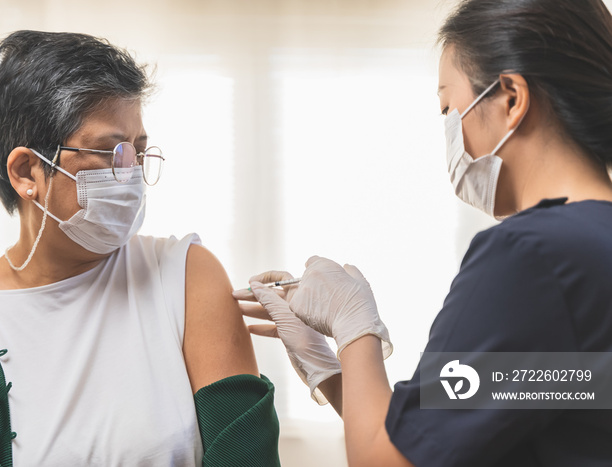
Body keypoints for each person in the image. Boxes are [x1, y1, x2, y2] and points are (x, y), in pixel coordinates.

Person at [235, 0, 612, 465]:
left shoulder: (533, 257)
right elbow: (481, 420)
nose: (451, 133)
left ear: (511, 97)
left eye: (449, 109)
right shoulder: (587, 252)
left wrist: (354, 326)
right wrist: (331, 369)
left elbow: (386, 461)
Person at [0, 30, 280, 466]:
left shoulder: (184, 275)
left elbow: (247, 457)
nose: (132, 175)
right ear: (27, 171)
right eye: (110, 153)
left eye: (138, 153)